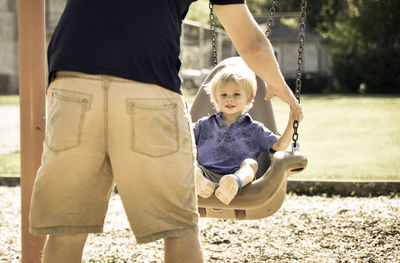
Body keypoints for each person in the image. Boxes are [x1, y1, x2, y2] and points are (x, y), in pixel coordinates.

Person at [29, 0, 302, 262]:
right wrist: (279, 86)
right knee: (178, 228)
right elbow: (251, 43)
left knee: (66, 229)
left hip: (72, 83)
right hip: (148, 84)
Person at [194, 66, 303, 205]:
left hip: (238, 177)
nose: (229, 99)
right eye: (224, 95)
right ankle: (202, 185)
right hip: (205, 175)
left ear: (249, 99)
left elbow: (279, 146)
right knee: (191, 165)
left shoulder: (254, 129)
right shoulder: (204, 124)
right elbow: (184, 137)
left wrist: (292, 123)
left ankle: (232, 185)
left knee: (250, 164)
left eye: (236, 94)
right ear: (216, 99)